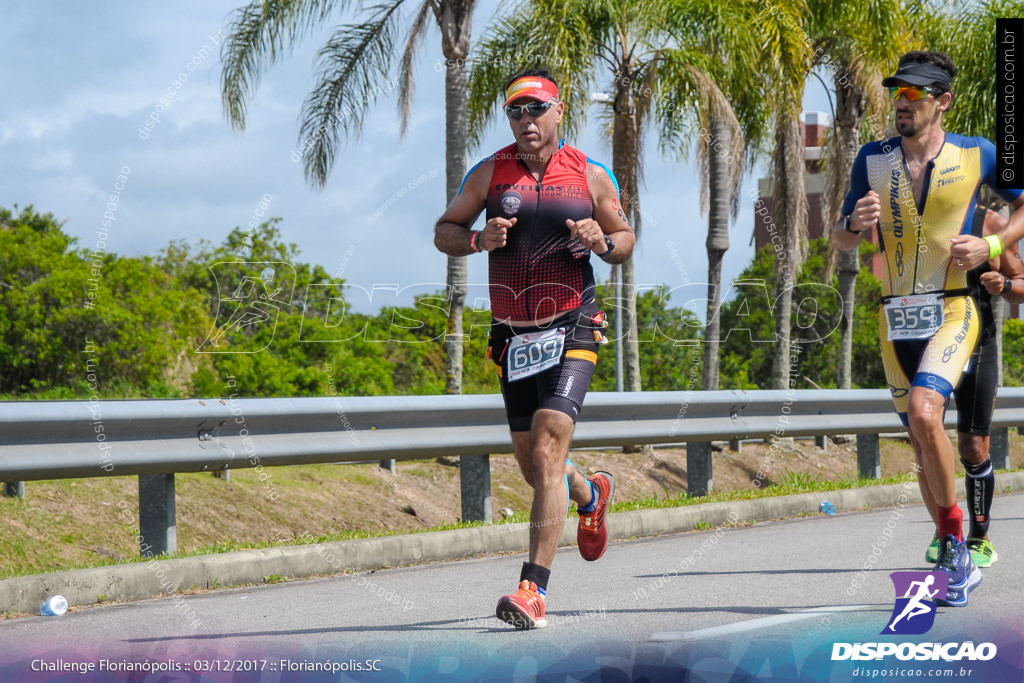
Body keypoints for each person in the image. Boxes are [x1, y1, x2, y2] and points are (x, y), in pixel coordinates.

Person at [434, 68, 635, 629]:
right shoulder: (490, 174)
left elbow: (624, 237)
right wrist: (478, 239)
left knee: (547, 446)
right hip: (515, 335)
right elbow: (444, 229)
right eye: (515, 111)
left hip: (574, 323)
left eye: (535, 108)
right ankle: (589, 494)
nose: (526, 119)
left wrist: (603, 241)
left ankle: (532, 591)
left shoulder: (590, 175)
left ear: (559, 110)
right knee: (534, 466)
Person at [835, 50, 1023, 607]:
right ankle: (949, 544)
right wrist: (851, 224)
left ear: (942, 102)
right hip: (895, 317)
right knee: (921, 440)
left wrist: (991, 244)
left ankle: (963, 546)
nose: (902, 103)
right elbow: (844, 240)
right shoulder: (871, 158)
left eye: (914, 95)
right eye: (897, 93)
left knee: (925, 411)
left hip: (953, 308)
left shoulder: (979, 152)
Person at [923, 207, 1024, 568]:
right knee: (927, 435)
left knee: (972, 444)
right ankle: (946, 532)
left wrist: (1006, 285)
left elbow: (1021, 284)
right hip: (927, 342)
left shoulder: (991, 223)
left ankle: (979, 538)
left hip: (977, 347)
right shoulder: (908, 215)